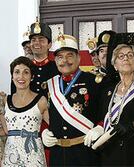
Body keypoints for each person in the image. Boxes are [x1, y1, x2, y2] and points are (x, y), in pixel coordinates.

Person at [41, 33, 103, 166]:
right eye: (60, 57)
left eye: (69, 55)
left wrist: (100, 127)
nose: (65, 61)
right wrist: (43, 130)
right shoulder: (49, 85)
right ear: (56, 60)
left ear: (79, 58)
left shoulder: (94, 81)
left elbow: (106, 112)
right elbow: (43, 114)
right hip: (58, 155)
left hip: (85, 154)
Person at [98, 32, 134, 166]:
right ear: (115, 65)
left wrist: (133, 126)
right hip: (110, 154)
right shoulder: (107, 91)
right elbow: (100, 117)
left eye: (130, 55)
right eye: (121, 56)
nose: (125, 58)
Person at [2, 56, 49, 166]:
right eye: (17, 72)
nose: (21, 76)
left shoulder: (41, 101)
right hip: (11, 157)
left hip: (34, 155)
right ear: (12, 76)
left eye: (26, 72)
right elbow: (2, 128)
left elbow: (55, 126)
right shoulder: (5, 100)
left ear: (32, 77)